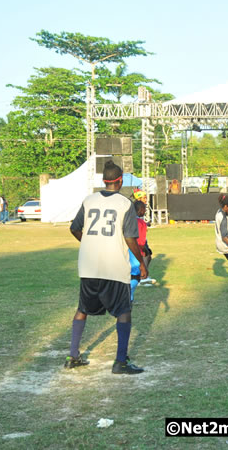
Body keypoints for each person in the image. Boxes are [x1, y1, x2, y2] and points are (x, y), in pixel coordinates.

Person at [65, 160, 147, 374]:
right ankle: (120, 362)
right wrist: (141, 262)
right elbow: (130, 238)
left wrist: (89, 242)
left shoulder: (89, 200)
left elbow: (74, 228)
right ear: (120, 182)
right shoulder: (125, 204)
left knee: (82, 309)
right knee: (124, 311)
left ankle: (73, 356)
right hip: (114, 267)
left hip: (89, 266)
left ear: (104, 181)